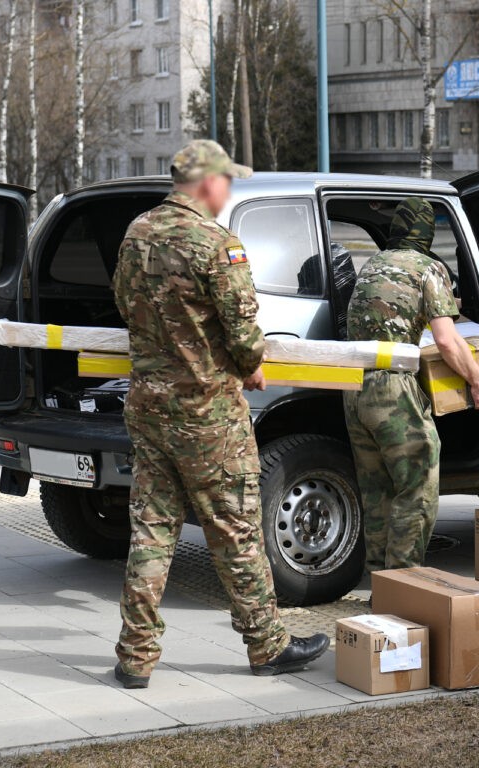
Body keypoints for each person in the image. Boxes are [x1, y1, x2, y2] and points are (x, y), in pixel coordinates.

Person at [112, 139, 327, 687]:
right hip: (206, 413)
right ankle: (267, 645)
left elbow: (123, 304)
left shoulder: (136, 232)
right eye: (227, 180)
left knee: (151, 529)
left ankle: (135, 657)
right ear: (207, 182)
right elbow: (244, 335)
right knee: (235, 528)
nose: (229, 189)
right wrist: (249, 361)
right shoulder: (217, 244)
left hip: (148, 405)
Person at [343, 197, 479, 573]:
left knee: (377, 492)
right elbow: (447, 341)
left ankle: (379, 581)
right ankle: (403, 581)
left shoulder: (374, 263)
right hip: (392, 391)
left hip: (353, 387)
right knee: (418, 488)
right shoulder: (428, 268)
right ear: (427, 233)